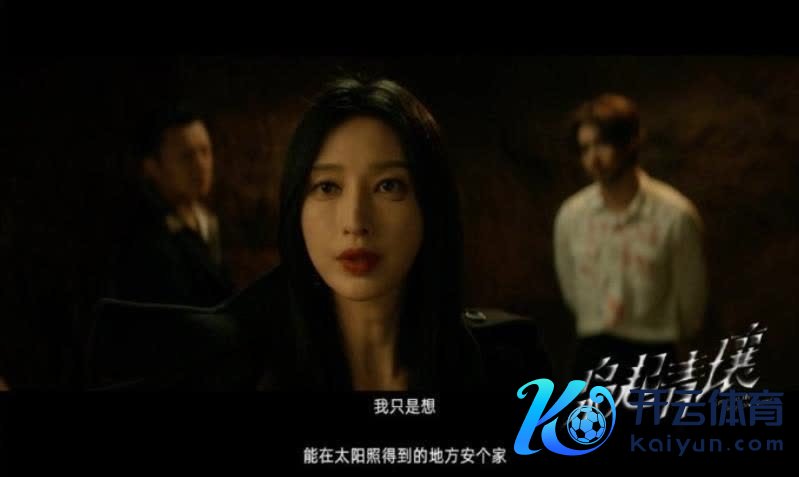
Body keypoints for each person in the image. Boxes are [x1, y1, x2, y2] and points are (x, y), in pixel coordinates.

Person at [88, 78, 548, 391]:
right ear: (297, 208)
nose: (355, 221)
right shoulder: (234, 370)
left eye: (389, 186)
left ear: (432, 205)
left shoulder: (506, 363)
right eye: (327, 187)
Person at [554, 93, 707, 377]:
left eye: (603, 144)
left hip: (654, 359)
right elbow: (572, 293)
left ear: (631, 142)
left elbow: (691, 308)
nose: (593, 158)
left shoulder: (675, 215)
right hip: (591, 356)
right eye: (585, 148)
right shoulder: (572, 216)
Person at [110, 107, 233, 307]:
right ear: (152, 167)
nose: (201, 165)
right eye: (186, 157)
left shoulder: (208, 221)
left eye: (205, 151)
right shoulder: (142, 238)